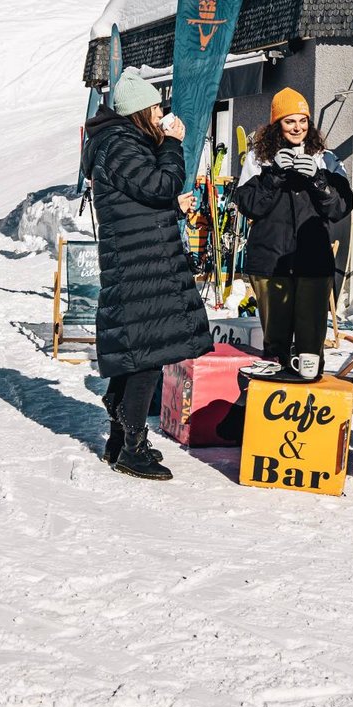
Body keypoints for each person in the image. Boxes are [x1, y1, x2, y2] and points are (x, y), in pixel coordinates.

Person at [80, 70, 213, 480]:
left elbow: (141, 200)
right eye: (156, 109)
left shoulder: (119, 144)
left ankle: (120, 439)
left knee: (138, 352)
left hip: (140, 261)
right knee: (147, 356)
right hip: (141, 266)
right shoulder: (120, 145)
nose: (161, 116)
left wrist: (170, 206)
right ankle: (131, 446)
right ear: (139, 111)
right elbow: (160, 183)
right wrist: (174, 144)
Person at [233, 88, 353, 381]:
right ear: (276, 124)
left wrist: (318, 179)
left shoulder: (326, 158)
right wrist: (273, 175)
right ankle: (274, 400)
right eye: (290, 121)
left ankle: (307, 404)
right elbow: (248, 206)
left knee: (311, 344)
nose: (298, 127)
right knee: (276, 344)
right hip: (270, 262)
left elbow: (339, 207)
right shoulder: (258, 159)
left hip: (313, 261)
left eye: (303, 120)